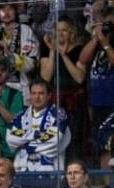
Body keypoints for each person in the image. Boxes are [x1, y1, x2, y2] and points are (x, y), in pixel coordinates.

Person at [39, 17, 87, 161]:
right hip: (55, 102)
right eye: (58, 30)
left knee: (74, 140)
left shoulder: (79, 50)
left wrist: (64, 55)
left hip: (74, 104)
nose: (60, 34)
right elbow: (46, 78)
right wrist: (53, 51)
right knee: (54, 140)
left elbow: (79, 77)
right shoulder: (47, 50)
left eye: (64, 30)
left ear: (71, 33)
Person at [6, 79, 71, 172]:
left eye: (41, 93)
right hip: (22, 168)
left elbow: (54, 141)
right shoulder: (20, 116)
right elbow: (10, 138)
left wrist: (26, 143)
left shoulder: (58, 114)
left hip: (50, 170)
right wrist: (35, 135)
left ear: (49, 95)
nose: (37, 97)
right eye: (33, 93)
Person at [0, 2, 40, 104]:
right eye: (3, 10)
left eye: (10, 9)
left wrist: (10, 54)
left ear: (16, 11)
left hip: (21, 88)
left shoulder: (26, 31)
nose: (6, 13)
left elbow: (32, 64)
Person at [0, 57, 24, 162]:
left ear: (8, 73)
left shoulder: (15, 94)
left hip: (9, 149)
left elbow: (14, 120)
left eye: (3, 70)